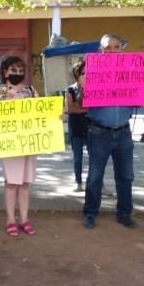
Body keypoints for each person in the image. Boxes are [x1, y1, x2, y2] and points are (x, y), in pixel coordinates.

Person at [82, 34, 137, 230]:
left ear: (121, 50)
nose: (113, 50)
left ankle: (124, 213)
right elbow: (82, 103)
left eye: (116, 47)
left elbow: (138, 102)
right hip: (99, 133)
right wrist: (84, 87)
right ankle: (90, 213)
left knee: (126, 176)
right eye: (108, 47)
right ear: (101, 51)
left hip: (123, 133)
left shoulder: (132, 72)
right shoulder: (91, 73)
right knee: (95, 176)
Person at [0, 56, 42, 235]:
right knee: (11, 182)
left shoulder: (32, 91)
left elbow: (42, 113)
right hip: (9, 144)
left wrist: (57, 117)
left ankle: (24, 220)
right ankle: (10, 220)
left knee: (24, 183)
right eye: (13, 70)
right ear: (5, 72)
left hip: (29, 143)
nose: (17, 73)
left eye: (20, 70)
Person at [65, 58, 88, 191]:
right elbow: (70, 109)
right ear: (77, 74)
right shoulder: (70, 90)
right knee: (77, 158)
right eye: (82, 73)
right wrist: (87, 110)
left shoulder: (95, 88)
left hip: (92, 127)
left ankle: (99, 185)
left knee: (96, 159)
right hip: (76, 128)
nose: (85, 75)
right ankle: (78, 182)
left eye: (87, 72)